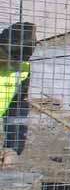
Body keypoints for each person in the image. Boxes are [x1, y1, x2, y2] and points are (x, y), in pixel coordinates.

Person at [0, 22, 35, 168]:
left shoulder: (24, 68)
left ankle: (11, 150)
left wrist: (11, 148)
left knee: (20, 109)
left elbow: (19, 101)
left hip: (8, 109)